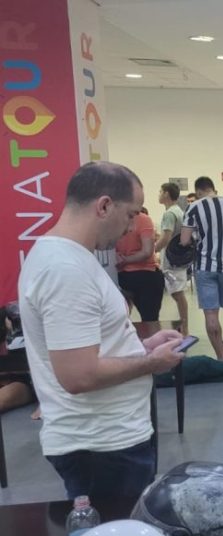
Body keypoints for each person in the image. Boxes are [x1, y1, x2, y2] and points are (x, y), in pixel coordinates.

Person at [17, 162, 184, 500]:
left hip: (108, 440)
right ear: (105, 205)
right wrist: (151, 363)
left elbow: (91, 347)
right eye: (130, 214)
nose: (131, 226)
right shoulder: (65, 269)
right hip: (101, 445)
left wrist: (144, 346)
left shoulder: (71, 259)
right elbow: (79, 375)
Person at [181, 177, 223, 362]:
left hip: (205, 266)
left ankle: (222, 358)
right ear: (213, 188)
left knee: (211, 313)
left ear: (198, 191)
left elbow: (184, 240)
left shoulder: (194, 207)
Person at [115, 208, 164, 332]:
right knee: (150, 320)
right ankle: (153, 347)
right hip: (146, 275)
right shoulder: (144, 220)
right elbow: (147, 252)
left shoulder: (110, 220)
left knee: (120, 319)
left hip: (120, 276)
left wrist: (121, 260)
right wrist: (127, 259)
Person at [154, 182, 189, 337]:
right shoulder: (178, 212)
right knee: (178, 293)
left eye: (160, 191)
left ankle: (185, 326)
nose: (159, 194)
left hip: (171, 260)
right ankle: (184, 325)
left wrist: (152, 249)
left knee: (178, 294)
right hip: (178, 258)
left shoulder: (169, 214)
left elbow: (166, 238)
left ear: (167, 194)